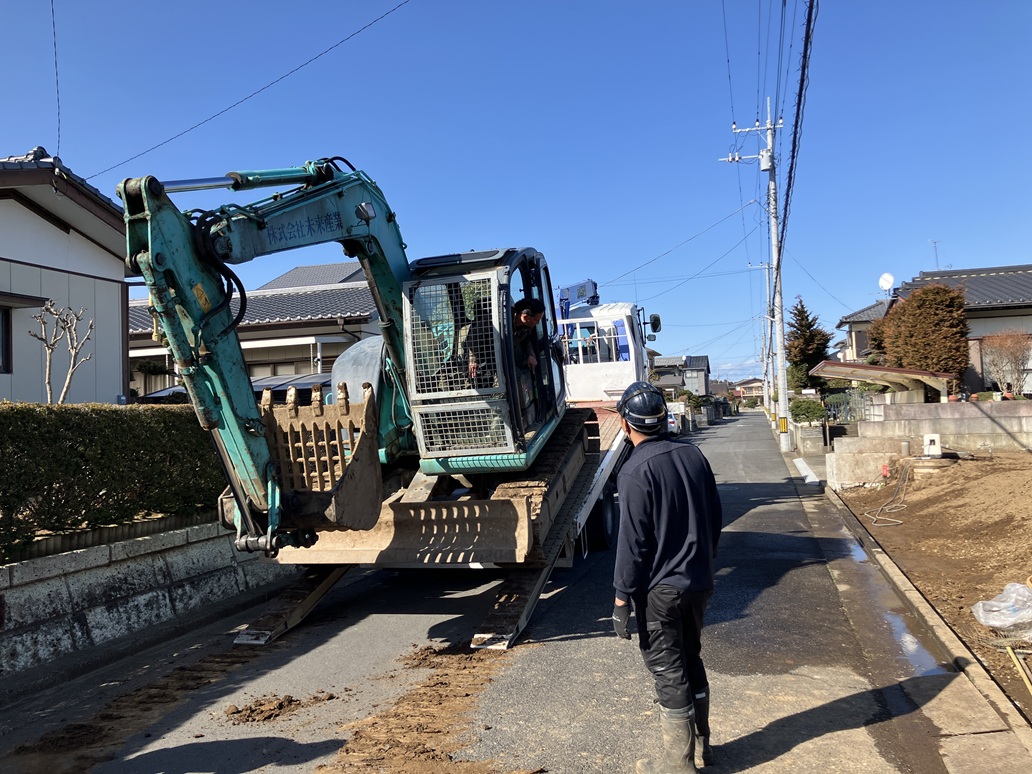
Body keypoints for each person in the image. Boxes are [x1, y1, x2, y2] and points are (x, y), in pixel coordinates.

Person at [611, 381, 723, 774]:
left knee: (668, 671)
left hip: (660, 591)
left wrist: (621, 598)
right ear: (663, 420)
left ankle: (678, 764)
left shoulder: (634, 470)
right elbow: (714, 516)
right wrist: (705, 560)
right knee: (691, 657)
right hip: (699, 582)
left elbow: (632, 543)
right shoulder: (693, 455)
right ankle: (704, 748)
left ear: (625, 423)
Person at [511, 297, 545, 373]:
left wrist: (531, 355)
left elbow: (525, 339)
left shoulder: (527, 327)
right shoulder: (502, 318)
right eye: (536, 320)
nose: (537, 323)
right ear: (525, 317)